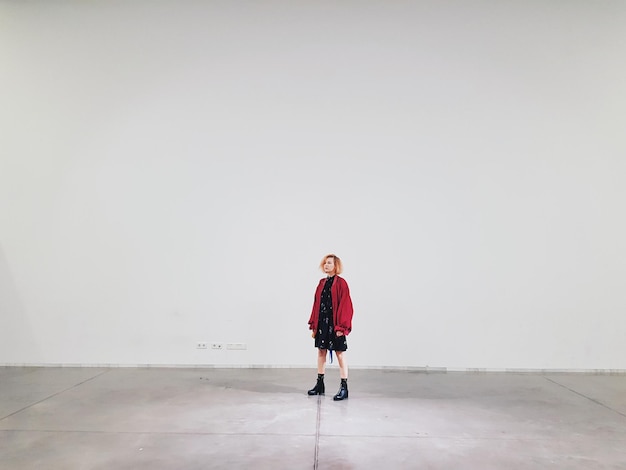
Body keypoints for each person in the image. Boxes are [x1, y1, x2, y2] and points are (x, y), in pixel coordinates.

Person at [307, 254, 354, 400]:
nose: (326, 265)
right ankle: (320, 384)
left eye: (329, 263)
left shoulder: (341, 283)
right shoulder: (321, 283)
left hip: (335, 325)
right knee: (321, 352)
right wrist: (314, 324)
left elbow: (346, 305)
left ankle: (344, 387)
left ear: (336, 266)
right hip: (323, 323)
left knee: (340, 353)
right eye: (325, 263)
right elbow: (316, 304)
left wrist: (341, 326)